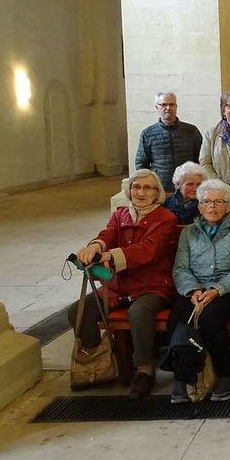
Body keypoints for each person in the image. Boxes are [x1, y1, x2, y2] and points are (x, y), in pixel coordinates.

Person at [68, 169, 178, 398]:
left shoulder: (166, 219)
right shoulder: (121, 215)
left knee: (138, 314)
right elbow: (108, 234)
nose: (141, 192)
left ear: (157, 192)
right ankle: (101, 363)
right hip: (118, 287)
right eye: (136, 187)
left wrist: (109, 256)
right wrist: (96, 247)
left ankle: (145, 370)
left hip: (153, 286)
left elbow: (147, 251)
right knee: (79, 310)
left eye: (148, 188)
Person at [166, 179, 230, 404]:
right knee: (176, 318)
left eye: (218, 201)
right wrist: (192, 290)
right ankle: (183, 376)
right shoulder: (188, 233)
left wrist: (217, 290)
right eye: (206, 202)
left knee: (211, 318)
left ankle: (225, 373)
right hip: (194, 288)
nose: (212, 206)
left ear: (227, 205)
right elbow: (181, 268)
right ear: (199, 206)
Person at [135, 92, 203, 193]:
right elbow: (141, 164)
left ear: (176, 107)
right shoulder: (148, 134)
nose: (168, 108)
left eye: (171, 104)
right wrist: (150, 184)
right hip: (161, 187)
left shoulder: (192, 131)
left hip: (188, 187)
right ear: (157, 107)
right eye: (163, 105)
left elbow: (201, 159)